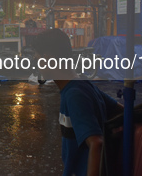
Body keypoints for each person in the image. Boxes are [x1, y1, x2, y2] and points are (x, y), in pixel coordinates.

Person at [31, 29, 122, 176]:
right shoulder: (82, 83)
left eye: (37, 58)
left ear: (47, 58)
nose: (36, 64)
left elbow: (97, 143)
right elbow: (122, 111)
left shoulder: (74, 95)